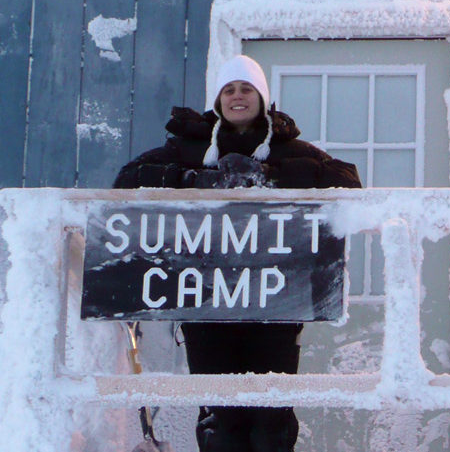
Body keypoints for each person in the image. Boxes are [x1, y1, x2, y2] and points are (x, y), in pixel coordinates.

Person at [114, 55, 362, 452]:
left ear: (263, 97)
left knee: (271, 416)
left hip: (275, 300)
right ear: (218, 99)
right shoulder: (187, 147)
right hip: (206, 300)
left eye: (247, 88)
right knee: (220, 416)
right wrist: (193, 179)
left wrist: (271, 179)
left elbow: (347, 183)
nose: (237, 96)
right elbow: (126, 181)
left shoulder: (289, 148)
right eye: (229, 89)